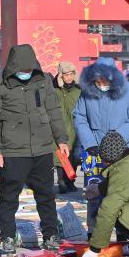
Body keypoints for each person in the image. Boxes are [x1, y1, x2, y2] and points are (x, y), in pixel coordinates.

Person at [0, 44, 69, 254]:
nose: (27, 73)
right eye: (23, 70)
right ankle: (8, 236)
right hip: (13, 151)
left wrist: (61, 139)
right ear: (13, 67)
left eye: (30, 70)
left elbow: (53, 111)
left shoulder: (43, 80)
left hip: (42, 148)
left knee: (46, 195)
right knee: (9, 197)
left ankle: (50, 235)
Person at [74, 57, 129, 238]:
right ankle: (95, 233)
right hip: (95, 152)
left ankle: (127, 233)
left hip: (124, 151)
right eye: (97, 80)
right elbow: (80, 117)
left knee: (122, 194)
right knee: (94, 193)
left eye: (105, 79)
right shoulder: (87, 93)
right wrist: (89, 143)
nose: (101, 84)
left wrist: (117, 138)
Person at [54, 61, 81, 194]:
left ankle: (71, 181)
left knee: (74, 157)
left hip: (76, 128)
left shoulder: (78, 90)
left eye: (71, 74)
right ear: (60, 76)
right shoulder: (55, 91)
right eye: (66, 75)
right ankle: (62, 182)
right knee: (61, 157)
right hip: (60, 127)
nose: (69, 77)